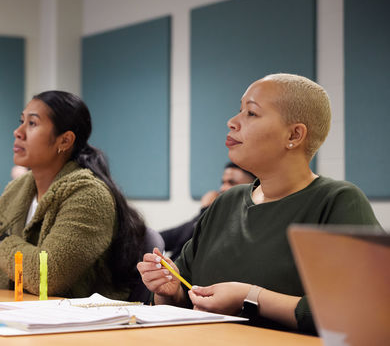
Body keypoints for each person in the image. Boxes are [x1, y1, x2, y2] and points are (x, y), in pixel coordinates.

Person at [137, 73, 380, 334]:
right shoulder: (226, 202)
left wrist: (251, 296)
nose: (232, 122)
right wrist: (168, 292)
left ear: (295, 135)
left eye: (251, 113)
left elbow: (364, 313)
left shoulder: (337, 201)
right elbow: (182, 294)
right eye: (239, 111)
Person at [0, 91, 146, 299]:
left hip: (79, 328)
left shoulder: (89, 196)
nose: (18, 132)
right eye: (21, 121)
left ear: (64, 140)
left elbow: (48, 277)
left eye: (32, 124)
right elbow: (0, 269)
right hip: (22, 320)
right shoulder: (17, 191)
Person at [160, 162, 255, 260]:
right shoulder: (212, 215)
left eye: (231, 183)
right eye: (223, 183)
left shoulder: (246, 226)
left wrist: (206, 211)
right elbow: (167, 237)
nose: (222, 188)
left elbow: (201, 250)